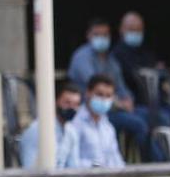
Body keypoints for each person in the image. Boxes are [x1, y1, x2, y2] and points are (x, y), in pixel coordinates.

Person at [67, 18, 157, 161]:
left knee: (154, 116)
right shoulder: (82, 57)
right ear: (88, 35)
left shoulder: (110, 60)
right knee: (138, 124)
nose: (102, 38)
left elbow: (121, 87)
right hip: (95, 111)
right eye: (97, 34)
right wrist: (119, 103)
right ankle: (155, 166)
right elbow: (98, 88)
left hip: (114, 111)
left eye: (105, 35)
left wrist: (128, 99)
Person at [19, 80, 85, 169]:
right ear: (55, 101)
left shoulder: (71, 132)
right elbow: (29, 170)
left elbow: (74, 169)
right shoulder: (37, 130)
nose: (72, 108)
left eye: (76, 104)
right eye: (67, 102)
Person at [72, 73, 126, 169]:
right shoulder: (74, 123)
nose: (104, 99)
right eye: (99, 94)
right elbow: (70, 161)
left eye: (108, 96)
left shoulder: (108, 127)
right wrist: (96, 166)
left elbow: (116, 159)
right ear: (88, 93)